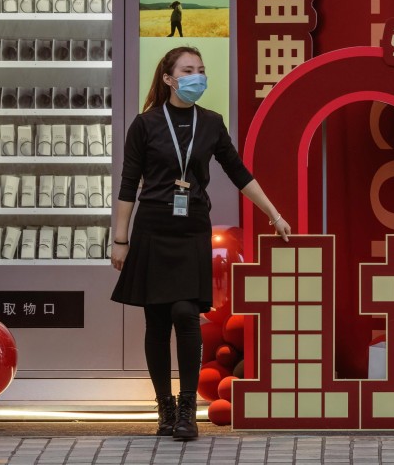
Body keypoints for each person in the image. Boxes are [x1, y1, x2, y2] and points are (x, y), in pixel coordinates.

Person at [110, 46, 291, 441]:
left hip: (192, 228)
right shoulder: (145, 124)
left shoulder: (211, 123)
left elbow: (239, 172)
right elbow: (128, 184)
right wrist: (120, 239)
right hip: (152, 229)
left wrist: (274, 215)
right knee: (156, 320)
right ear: (168, 79)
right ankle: (165, 408)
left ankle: (189, 409)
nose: (197, 77)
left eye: (201, 70)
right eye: (188, 70)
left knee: (186, 314)